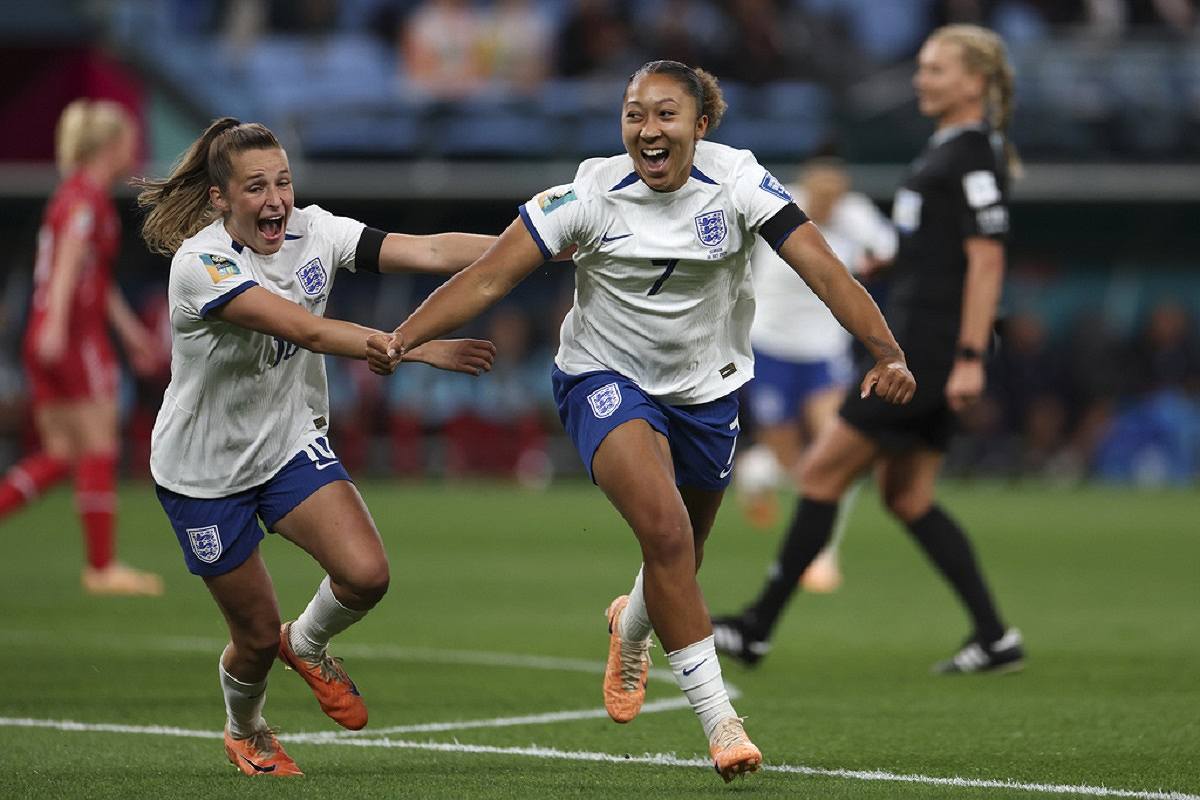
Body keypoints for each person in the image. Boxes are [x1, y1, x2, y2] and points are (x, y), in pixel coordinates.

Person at [375, 60, 915, 782]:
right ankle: (722, 723)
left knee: (679, 555)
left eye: (665, 115)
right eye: (635, 114)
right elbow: (489, 276)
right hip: (604, 378)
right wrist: (402, 338)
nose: (647, 129)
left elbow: (825, 270)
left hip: (707, 392)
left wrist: (886, 351)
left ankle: (630, 627)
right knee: (664, 533)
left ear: (700, 125)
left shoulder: (742, 182)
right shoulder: (589, 193)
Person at [134, 118, 497, 777]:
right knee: (250, 637)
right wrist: (407, 344)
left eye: (284, 183)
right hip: (203, 474)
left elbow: (433, 250)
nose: (276, 200)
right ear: (220, 198)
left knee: (366, 574)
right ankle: (246, 731)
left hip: (287, 445)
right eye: (255, 188)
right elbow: (304, 329)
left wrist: (532, 246)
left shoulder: (316, 230)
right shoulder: (202, 265)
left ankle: (307, 642)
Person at [712, 24, 1026, 675]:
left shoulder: (970, 154)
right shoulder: (949, 150)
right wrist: (890, 266)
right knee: (908, 497)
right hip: (929, 343)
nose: (921, 79)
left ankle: (755, 627)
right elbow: (935, 252)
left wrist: (969, 355)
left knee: (822, 473)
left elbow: (986, 259)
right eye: (921, 67)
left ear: (975, 81)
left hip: (927, 352)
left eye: (936, 69)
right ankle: (995, 636)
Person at [0, 99, 164, 596]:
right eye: (128, 143)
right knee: (98, 446)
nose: (134, 152)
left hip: (56, 333)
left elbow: (93, 273)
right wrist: (54, 326)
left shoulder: (72, 195)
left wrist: (132, 332)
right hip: (72, 337)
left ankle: (99, 563)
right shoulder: (85, 199)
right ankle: (102, 567)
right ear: (110, 147)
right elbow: (71, 260)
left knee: (59, 454)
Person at [736, 158, 897, 592]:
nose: (829, 205)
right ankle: (759, 469)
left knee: (833, 451)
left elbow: (889, 249)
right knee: (793, 461)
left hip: (824, 351)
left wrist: (872, 254)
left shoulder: (856, 215)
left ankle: (822, 552)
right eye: (822, 196)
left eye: (836, 197)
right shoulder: (777, 204)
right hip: (770, 345)